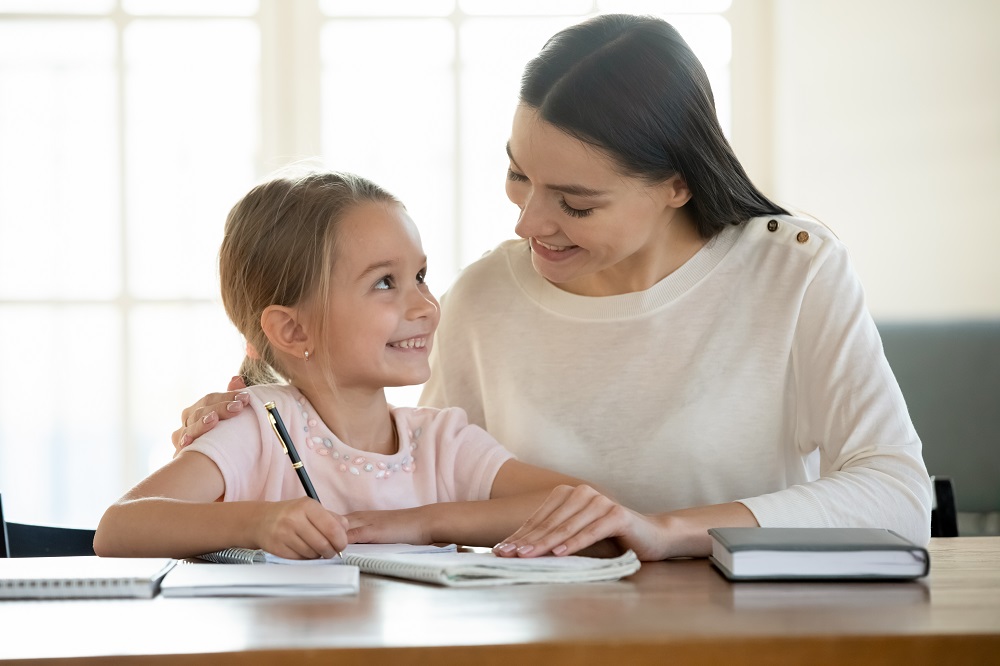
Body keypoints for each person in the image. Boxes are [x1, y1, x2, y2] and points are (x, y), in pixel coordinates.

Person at [170, 14, 931, 561]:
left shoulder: (793, 272)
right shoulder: (485, 297)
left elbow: (899, 496)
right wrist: (263, 407)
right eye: (518, 173)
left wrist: (665, 531)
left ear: (675, 184)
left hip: (744, 631)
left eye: (575, 202)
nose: (531, 223)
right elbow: (409, 490)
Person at [94, 170, 589, 560]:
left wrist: (425, 522)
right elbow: (120, 527)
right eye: (384, 283)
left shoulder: (441, 442)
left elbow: (578, 505)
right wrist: (256, 523)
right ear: (293, 331)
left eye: (419, 275)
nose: (425, 306)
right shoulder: (257, 427)